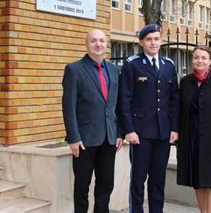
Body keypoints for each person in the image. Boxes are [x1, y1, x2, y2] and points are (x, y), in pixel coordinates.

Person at [118, 24, 179, 213]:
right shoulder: (132, 64)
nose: (153, 42)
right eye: (149, 39)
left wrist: (174, 128)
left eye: (156, 39)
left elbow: (174, 100)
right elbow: (124, 99)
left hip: (163, 133)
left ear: (161, 41)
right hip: (140, 133)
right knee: (138, 180)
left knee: (158, 179)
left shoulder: (169, 65)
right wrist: (128, 130)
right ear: (141, 42)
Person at [62, 29, 123, 213]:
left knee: (106, 185)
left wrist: (119, 132)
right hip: (84, 140)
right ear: (86, 44)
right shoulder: (74, 69)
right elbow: (68, 106)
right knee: (82, 187)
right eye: (93, 41)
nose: (98, 44)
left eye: (102, 41)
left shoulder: (114, 70)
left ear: (106, 44)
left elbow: (117, 104)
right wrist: (73, 137)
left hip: (109, 138)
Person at [176, 45, 211, 213]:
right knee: (197, 179)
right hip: (191, 137)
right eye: (196, 57)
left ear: (210, 61)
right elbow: (180, 109)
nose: (199, 61)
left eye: (203, 58)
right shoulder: (185, 82)